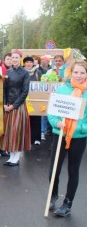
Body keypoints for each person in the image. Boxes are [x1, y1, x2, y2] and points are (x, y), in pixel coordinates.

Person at [47, 60, 87, 217]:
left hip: (79, 137)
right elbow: (52, 111)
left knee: (73, 170)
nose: (78, 75)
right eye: (76, 72)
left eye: (82, 73)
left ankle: (67, 203)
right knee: (53, 170)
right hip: (60, 134)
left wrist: (80, 128)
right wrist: (56, 122)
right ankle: (53, 194)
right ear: (71, 72)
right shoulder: (62, 90)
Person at [0, 49, 31, 166]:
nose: (14, 59)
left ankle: (16, 158)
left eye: (17, 57)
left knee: (17, 132)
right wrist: (5, 103)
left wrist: (14, 105)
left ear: (20, 58)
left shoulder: (25, 73)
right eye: (13, 57)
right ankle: (11, 156)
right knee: (9, 133)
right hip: (8, 105)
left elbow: (25, 91)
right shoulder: (8, 72)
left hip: (18, 106)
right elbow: (5, 89)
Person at [23, 56, 42, 146]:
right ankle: (28, 138)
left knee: (37, 119)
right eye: (27, 62)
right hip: (25, 99)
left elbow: (43, 84)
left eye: (30, 62)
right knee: (27, 120)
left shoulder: (38, 72)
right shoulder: (22, 72)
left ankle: (37, 138)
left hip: (36, 99)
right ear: (24, 64)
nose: (29, 64)